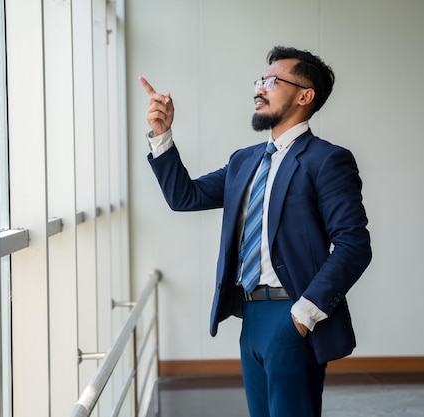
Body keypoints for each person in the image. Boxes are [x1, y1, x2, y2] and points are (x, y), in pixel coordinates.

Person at [140, 46, 372, 417]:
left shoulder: (326, 160)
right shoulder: (244, 161)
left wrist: (303, 316)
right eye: (259, 80)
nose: (259, 89)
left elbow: (354, 245)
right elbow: (185, 196)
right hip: (250, 317)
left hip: (293, 314)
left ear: (304, 95)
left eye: (272, 81)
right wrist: (163, 135)